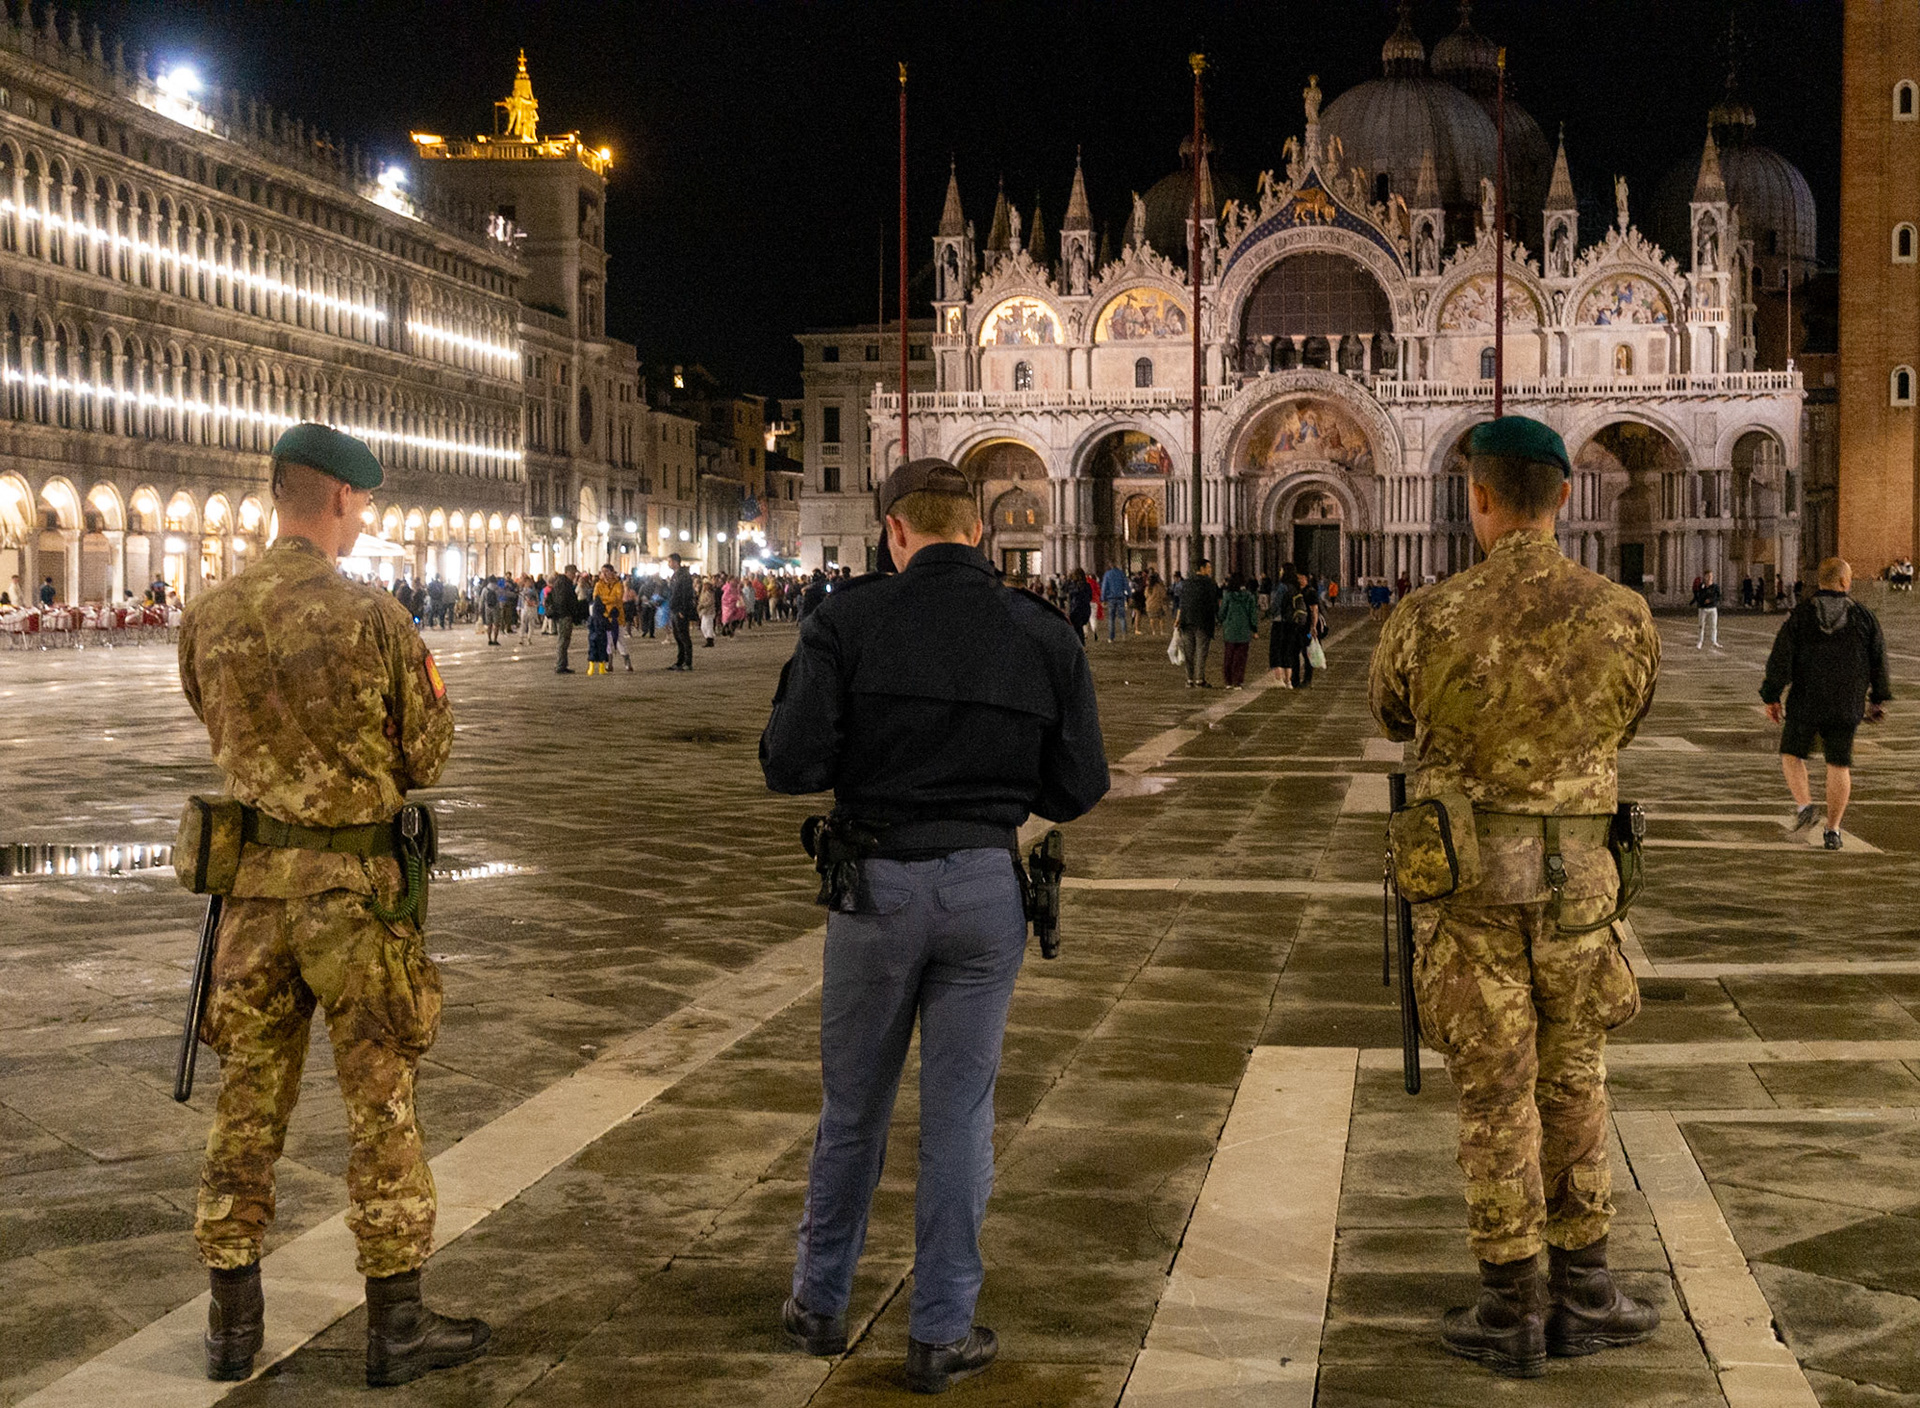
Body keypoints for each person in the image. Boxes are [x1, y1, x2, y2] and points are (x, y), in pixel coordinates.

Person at [761, 458, 1108, 1395]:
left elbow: (789, 764)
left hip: (874, 887)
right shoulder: (1041, 631)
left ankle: (820, 1305)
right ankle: (939, 1330)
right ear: (980, 531)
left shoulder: (847, 621)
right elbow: (1080, 785)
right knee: (959, 1115)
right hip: (987, 892)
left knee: (854, 1108)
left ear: (894, 534)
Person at [176, 423, 487, 1387]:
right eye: (364, 505)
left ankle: (231, 1326)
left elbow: (209, 716)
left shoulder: (209, 614)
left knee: (247, 1105)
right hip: (356, 902)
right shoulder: (375, 616)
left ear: (278, 495)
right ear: (344, 501)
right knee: (381, 1106)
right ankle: (396, 1327)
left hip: (255, 900)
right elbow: (428, 753)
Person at [1368, 415, 1661, 1378]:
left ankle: (1512, 1306)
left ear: (1479, 496)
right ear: (1566, 497)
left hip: (1470, 898)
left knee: (1493, 1088)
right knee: (1575, 1076)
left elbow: (1390, 710)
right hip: (1580, 895)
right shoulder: (1624, 614)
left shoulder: (1427, 616)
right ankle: (1588, 1291)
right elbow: (1632, 715)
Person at [1761, 557, 1892, 850]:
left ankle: (1805, 806)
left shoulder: (1801, 616)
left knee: (1791, 754)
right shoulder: (1865, 617)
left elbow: (1781, 658)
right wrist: (1878, 699)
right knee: (1839, 764)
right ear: (1845, 582)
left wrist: (1771, 696)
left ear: (1820, 582)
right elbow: (1879, 660)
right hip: (1846, 702)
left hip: (1806, 700)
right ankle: (1832, 830)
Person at [1174, 559, 1220, 688]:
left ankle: (1189, 679)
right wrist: (1217, 618)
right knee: (1201, 651)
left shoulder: (1186, 583)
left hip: (1187, 621)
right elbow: (1213, 603)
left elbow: (1181, 602)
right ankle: (1199, 679)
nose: (1210, 570)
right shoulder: (1210, 584)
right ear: (1202, 568)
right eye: (1209, 567)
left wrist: (1179, 618)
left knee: (1189, 652)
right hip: (1203, 622)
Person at [1269, 566, 1317, 689]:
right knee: (1290, 651)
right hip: (1295, 624)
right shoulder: (1297, 589)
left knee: (1278, 650)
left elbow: (1276, 605)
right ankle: (1290, 681)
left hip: (1281, 622)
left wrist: (1269, 613)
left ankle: (1279, 679)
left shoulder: (1282, 587)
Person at [1219, 572, 1259, 689]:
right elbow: (1252, 614)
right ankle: (1238, 681)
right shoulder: (1249, 597)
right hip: (1244, 631)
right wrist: (1254, 629)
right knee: (1240, 658)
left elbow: (1222, 612)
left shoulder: (1228, 595)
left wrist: (1221, 620)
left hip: (1230, 630)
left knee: (1229, 656)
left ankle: (1228, 681)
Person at [547, 565, 579, 674]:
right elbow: (562, 600)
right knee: (563, 640)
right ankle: (560, 665)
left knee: (564, 640)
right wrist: (566, 613)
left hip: (563, 614)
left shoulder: (560, 582)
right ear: (569, 573)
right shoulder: (564, 583)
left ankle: (563, 664)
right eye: (574, 574)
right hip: (564, 615)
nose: (575, 576)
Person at [667, 553, 696, 670]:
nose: (668, 564)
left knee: (684, 636)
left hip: (680, 610)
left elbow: (686, 594)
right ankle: (680, 660)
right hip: (675, 609)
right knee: (677, 636)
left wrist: (682, 610)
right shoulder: (676, 575)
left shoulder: (684, 576)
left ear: (675, 562)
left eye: (669, 561)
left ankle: (688, 662)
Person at [1101, 563, 1131, 642]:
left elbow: (1104, 587)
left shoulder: (1107, 574)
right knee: (1122, 617)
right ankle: (1124, 635)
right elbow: (1126, 585)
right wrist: (1129, 595)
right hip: (1121, 597)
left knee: (1111, 618)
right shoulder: (1121, 574)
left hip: (1111, 598)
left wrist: (1103, 599)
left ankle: (1111, 637)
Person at [1693, 571, 1721, 649]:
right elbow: (1698, 595)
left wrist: (1711, 600)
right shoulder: (1702, 586)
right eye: (1707, 576)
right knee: (1701, 625)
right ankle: (1700, 641)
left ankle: (1714, 641)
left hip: (1712, 608)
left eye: (1711, 576)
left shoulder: (1715, 586)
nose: (1709, 577)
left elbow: (1718, 596)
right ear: (1705, 577)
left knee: (1713, 625)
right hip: (1703, 608)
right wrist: (1703, 601)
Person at [585, 597, 612, 675]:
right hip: (602, 637)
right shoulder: (604, 618)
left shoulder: (591, 618)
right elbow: (609, 627)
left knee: (592, 652)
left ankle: (591, 669)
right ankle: (601, 669)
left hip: (592, 637)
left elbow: (589, 626)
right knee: (602, 652)